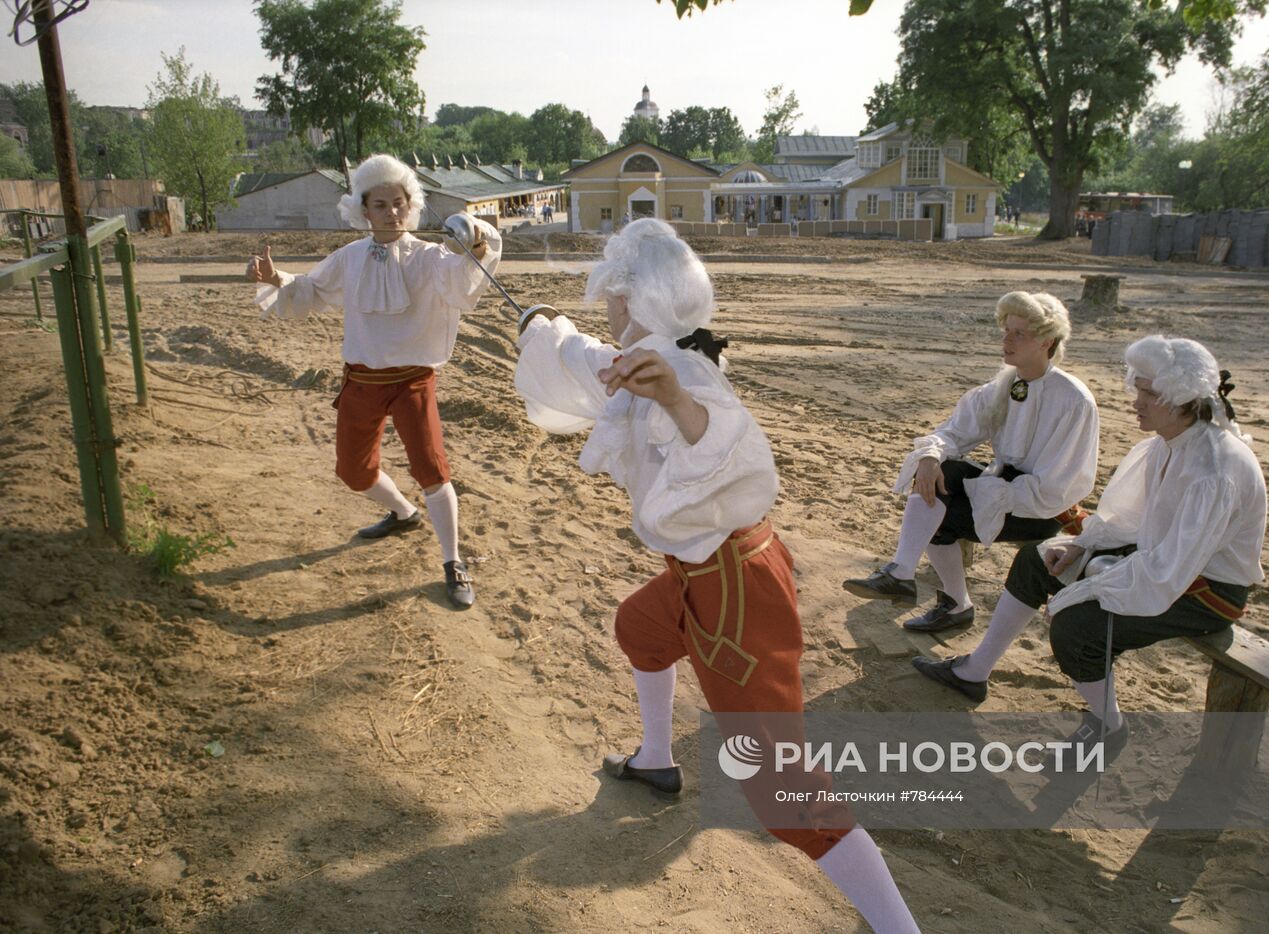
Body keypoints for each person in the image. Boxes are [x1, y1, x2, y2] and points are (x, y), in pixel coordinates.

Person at [513, 219, 920, 933]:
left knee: (786, 793)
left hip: (735, 591)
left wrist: (673, 398)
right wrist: (542, 324)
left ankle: (899, 928)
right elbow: (589, 359)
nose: (607, 305)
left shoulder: (683, 374)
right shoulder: (655, 355)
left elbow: (725, 443)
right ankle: (654, 759)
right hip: (714, 570)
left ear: (637, 302)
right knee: (640, 625)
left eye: (614, 294)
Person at [913, 336, 1267, 755]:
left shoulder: (1213, 470)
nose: (1137, 401)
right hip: (1164, 560)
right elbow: (1131, 519)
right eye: (1137, 388)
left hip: (1207, 592)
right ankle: (973, 672)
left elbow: (1169, 571)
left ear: (1184, 399)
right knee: (1036, 560)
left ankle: (1107, 727)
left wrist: (1089, 587)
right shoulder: (1170, 441)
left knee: (1077, 628)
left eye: (1150, 393)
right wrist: (1083, 547)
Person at [246, 153, 501, 609]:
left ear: (412, 204)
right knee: (352, 470)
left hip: (413, 381)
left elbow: (461, 279)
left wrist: (477, 244)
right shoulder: (348, 258)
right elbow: (309, 292)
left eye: (400, 203)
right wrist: (276, 278)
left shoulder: (429, 258)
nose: (392, 212)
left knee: (431, 469)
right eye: (380, 205)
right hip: (361, 380)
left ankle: (452, 561)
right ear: (364, 211)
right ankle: (402, 513)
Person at [843, 292, 1099, 635]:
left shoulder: (1074, 400)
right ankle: (904, 575)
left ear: (1047, 341)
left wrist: (989, 491)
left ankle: (952, 603)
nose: (1006, 340)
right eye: (1005, 330)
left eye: (1018, 333)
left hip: (1039, 509)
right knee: (937, 475)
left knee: (938, 511)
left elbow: (1058, 486)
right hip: (1002, 487)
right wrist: (931, 457)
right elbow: (954, 432)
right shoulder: (1002, 386)